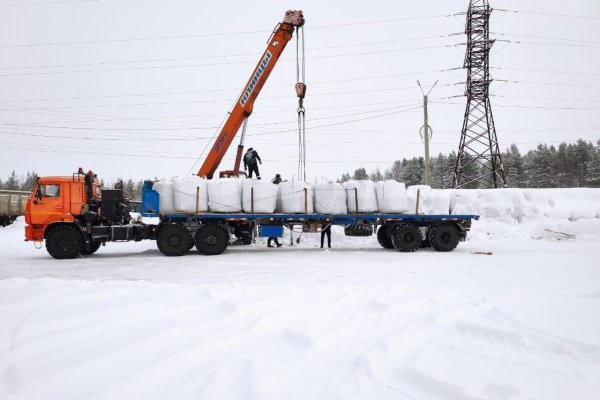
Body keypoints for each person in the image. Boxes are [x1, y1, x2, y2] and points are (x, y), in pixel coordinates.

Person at [268, 173, 283, 247]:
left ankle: (275, 244)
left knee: (273, 231)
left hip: (273, 212)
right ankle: (276, 244)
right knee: (273, 231)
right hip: (274, 213)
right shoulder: (277, 182)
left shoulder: (274, 181)